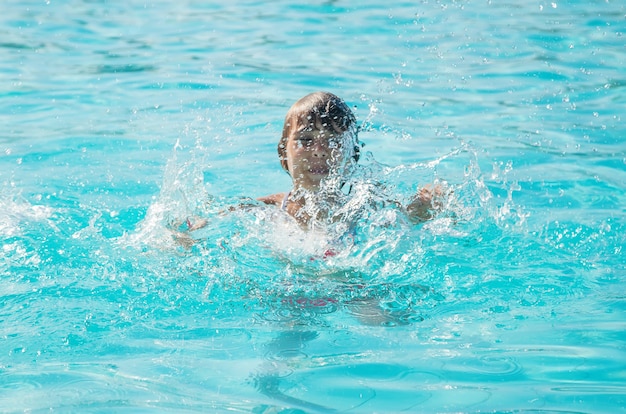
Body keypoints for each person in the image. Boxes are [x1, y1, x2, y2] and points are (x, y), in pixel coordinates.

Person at [257, 91, 441, 228]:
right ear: (283, 152)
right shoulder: (265, 209)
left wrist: (429, 207)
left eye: (333, 141)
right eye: (306, 140)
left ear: (352, 156)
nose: (320, 151)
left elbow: (417, 220)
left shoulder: (369, 209)